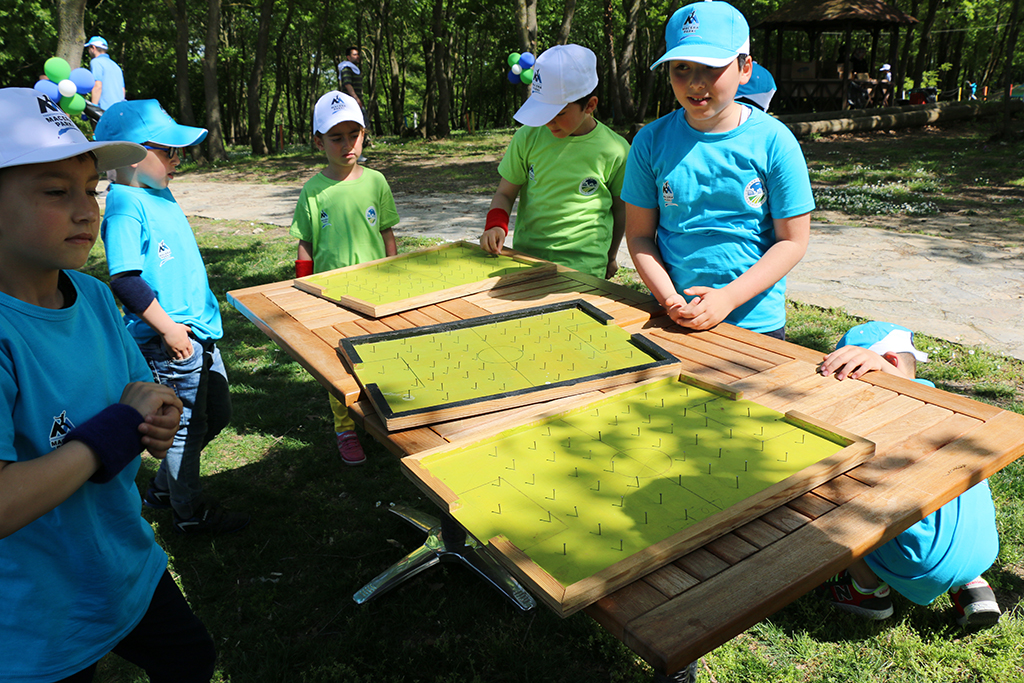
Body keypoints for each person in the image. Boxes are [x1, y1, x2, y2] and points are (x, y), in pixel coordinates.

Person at [0, 87, 216, 682]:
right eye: (54, 191)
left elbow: (148, 395)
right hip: (38, 615)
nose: (87, 210)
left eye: (90, 190)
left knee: (191, 657)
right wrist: (114, 431)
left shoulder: (93, 298)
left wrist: (157, 417)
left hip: (127, 567)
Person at [95, 99, 250, 534]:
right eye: (169, 151)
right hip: (170, 340)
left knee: (215, 416)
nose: (178, 159)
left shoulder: (158, 190)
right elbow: (124, 280)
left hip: (199, 333)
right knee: (186, 428)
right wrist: (168, 329)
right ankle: (188, 514)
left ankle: (163, 491)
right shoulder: (125, 204)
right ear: (130, 153)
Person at [623, 1, 813, 340]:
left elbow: (792, 241)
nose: (695, 83)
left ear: (745, 69)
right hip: (671, 318)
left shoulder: (776, 142)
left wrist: (728, 298)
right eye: (681, 67)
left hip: (756, 325)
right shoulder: (649, 142)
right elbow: (639, 236)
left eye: (711, 67)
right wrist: (670, 300)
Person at [817, 322, 1002, 628]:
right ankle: (971, 585)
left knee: (821, 491)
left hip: (916, 564)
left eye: (853, 372)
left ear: (884, 363)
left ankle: (866, 590)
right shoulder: (950, 406)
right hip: (985, 550)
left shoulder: (880, 415)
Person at [290, 91, 398, 465]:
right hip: (330, 295)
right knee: (338, 365)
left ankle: (382, 415)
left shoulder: (376, 183)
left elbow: (386, 234)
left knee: (379, 355)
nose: (347, 143)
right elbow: (305, 243)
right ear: (319, 141)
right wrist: (303, 291)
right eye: (336, 137)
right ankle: (345, 428)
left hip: (376, 292)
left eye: (354, 134)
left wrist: (395, 276)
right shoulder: (312, 190)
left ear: (364, 134)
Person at [478, 44, 630, 280]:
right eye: (543, 112)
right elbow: (505, 193)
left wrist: (610, 256)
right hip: (527, 260)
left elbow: (621, 208)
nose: (548, 122)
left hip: (585, 268)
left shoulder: (616, 149)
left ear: (590, 105)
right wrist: (495, 225)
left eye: (559, 114)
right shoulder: (527, 137)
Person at [337, 47, 368, 162]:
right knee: (354, 128)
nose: (357, 56)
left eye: (358, 54)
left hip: (355, 102)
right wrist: (355, 99)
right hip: (350, 104)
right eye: (354, 54)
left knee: (361, 126)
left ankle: (356, 153)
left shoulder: (353, 69)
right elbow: (347, 84)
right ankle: (353, 154)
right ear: (348, 57)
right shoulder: (346, 68)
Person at [84, 36, 125, 111]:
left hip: (104, 110)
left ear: (93, 48)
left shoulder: (96, 62)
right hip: (119, 109)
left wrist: (93, 108)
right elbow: (122, 90)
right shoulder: (116, 66)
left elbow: (98, 86)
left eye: (89, 48)